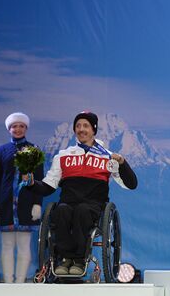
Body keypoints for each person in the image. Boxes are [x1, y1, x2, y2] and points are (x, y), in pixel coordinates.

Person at [24, 111, 138, 276]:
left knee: (82, 211)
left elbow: (131, 184)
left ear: (94, 130)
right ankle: (64, 259)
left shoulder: (107, 157)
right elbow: (48, 186)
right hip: (68, 203)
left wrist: (122, 162)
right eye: (78, 126)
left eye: (86, 126)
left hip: (93, 205)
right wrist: (32, 183)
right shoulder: (63, 156)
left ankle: (79, 259)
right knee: (61, 211)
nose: (81, 129)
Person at [0, 112, 44, 283]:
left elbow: (39, 179)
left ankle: (19, 283)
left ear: (26, 128)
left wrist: (37, 203)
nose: (17, 129)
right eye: (14, 126)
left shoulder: (33, 150)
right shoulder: (1, 150)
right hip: (5, 204)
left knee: (23, 246)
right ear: (9, 129)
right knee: (6, 246)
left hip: (26, 204)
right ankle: (8, 281)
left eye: (21, 126)